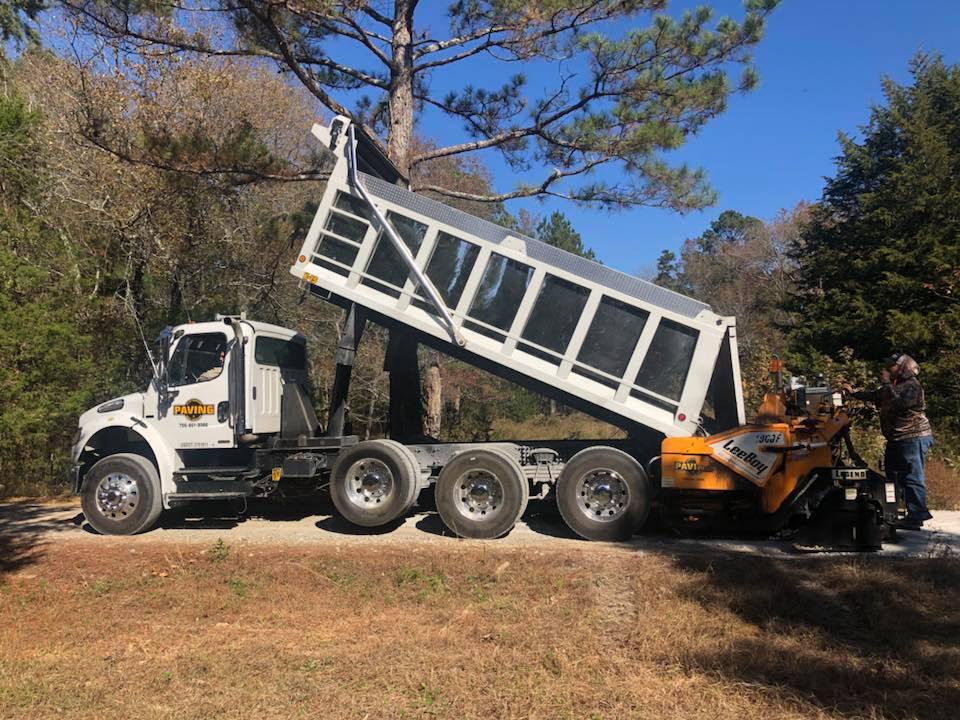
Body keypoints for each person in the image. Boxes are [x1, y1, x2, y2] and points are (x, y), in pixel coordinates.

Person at [846, 353, 934, 530]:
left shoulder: (912, 386)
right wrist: (853, 394)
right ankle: (893, 509)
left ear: (903, 367)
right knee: (892, 475)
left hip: (913, 436)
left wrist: (886, 384)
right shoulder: (895, 386)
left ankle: (917, 516)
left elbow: (900, 404)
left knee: (912, 476)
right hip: (897, 438)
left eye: (892, 366)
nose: (887, 369)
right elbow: (874, 395)